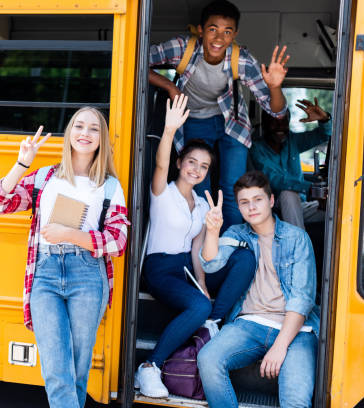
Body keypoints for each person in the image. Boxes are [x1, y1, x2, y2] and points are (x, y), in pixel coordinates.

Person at [0, 107, 129, 408]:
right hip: (46, 273)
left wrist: (70, 234)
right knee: (56, 370)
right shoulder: (45, 178)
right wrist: (22, 163)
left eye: (93, 128)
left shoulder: (109, 186)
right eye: (79, 126)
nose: (85, 133)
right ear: (69, 134)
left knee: (77, 371)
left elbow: (118, 241)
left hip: (88, 275)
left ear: (102, 138)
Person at [134, 95, 255, 398]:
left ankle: (214, 321)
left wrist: (202, 282)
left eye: (204, 166)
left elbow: (197, 250)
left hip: (187, 267)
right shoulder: (163, 191)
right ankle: (149, 366)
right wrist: (171, 129)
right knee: (198, 305)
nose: (196, 170)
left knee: (244, 258)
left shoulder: (202, 204)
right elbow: (160, 162)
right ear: (180, 163)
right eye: (191, 162)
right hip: (161, 267)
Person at [149, 0, 289, 231]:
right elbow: (134, 59)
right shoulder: (182, 47)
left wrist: (274, 86)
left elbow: (276, 110)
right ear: (201, 30)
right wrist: (170, 87)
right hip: (194, 121)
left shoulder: (241, 59)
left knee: (233, 189)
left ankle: (229, 245)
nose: (218, 38)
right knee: (198, 189)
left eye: (227, 32)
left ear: (235, 34)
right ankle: (202, 244)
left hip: (232, 124)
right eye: (213, 29)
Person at [197, 170, 319, 408]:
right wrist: (212, 230)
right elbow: (211, 264)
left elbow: (302, 300)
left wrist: (279, 346)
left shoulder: (297, 238)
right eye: (244, 202)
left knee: (295, 402)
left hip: (296, 331)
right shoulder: (237, 232)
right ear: (239, 208)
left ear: (271, 201)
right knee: (208, 359)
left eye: (257, 200)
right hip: (249, 324)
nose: (251, 207)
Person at [250, 98, 331, 229]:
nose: (280, 127)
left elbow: (324, 135)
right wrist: (312, 189)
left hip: (300, 206)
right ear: (264, 124)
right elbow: (277, 181)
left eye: (284, 122)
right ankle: (298, 247)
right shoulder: (257, 148)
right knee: (288, 194)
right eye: (274, 122)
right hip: (271, 209)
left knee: (335, 205)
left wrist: (324, 119)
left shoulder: (292, 140)